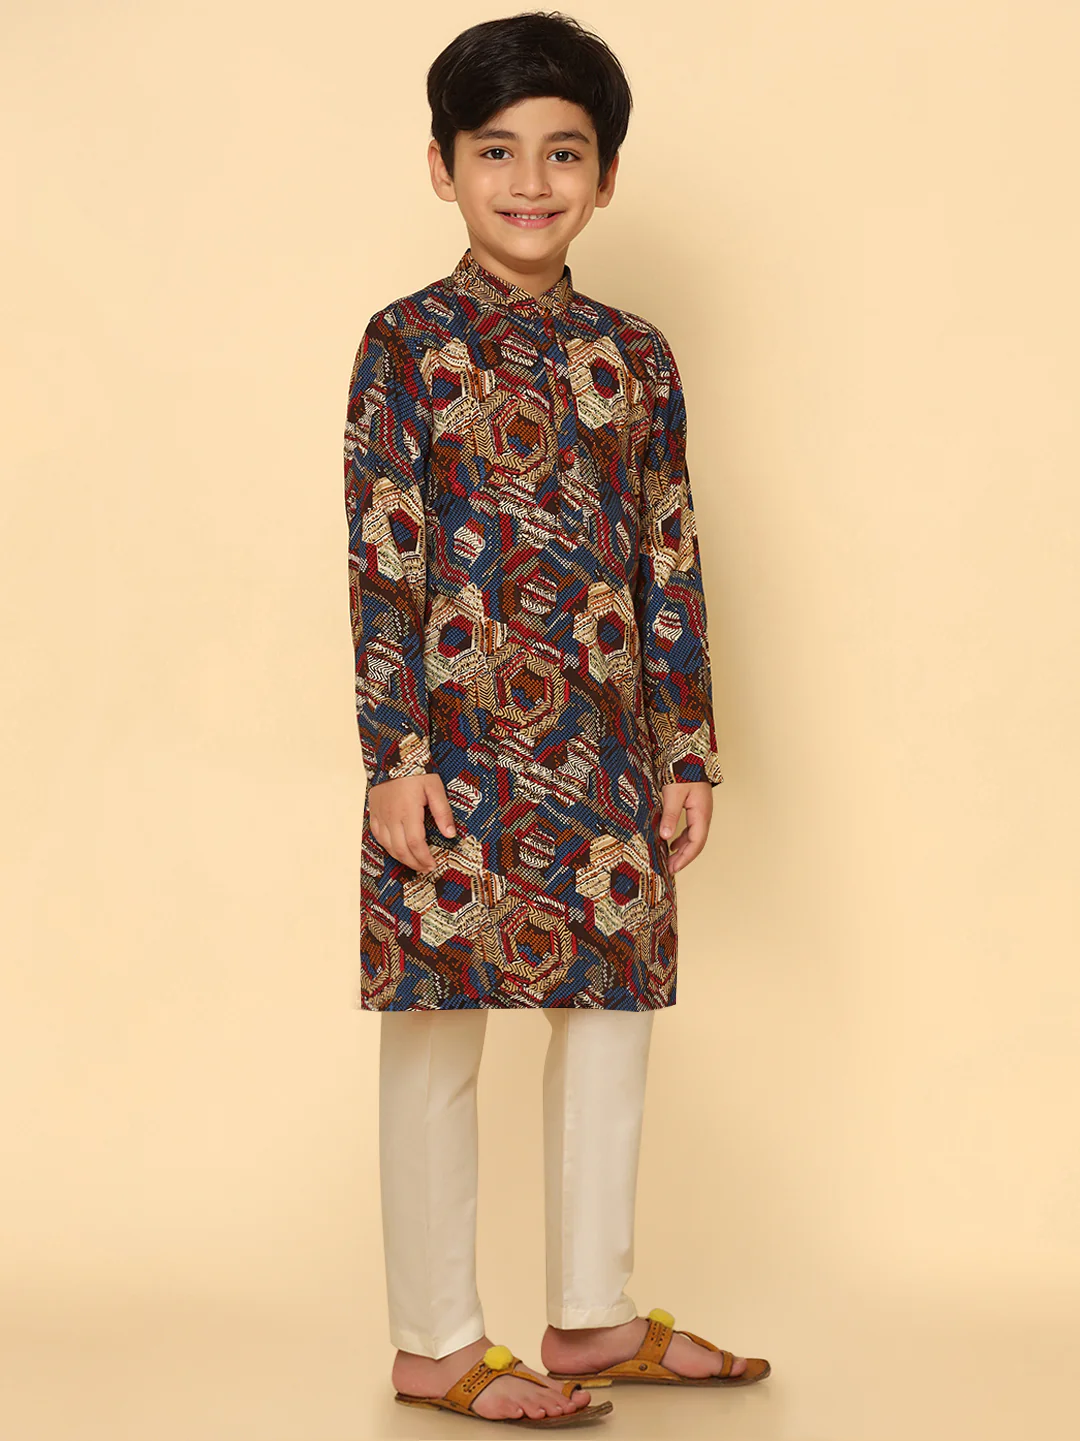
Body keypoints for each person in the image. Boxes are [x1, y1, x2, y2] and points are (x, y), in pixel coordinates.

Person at [342, 11, 770, 1428]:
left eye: (563, 153)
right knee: (436, 1024)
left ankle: (592, 1317)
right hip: (452, 748)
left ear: (607, 174)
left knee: (611, 1016)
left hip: (607, 742)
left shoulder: (635, 355)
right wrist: (392, 757)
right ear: (442, 166)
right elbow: (384, 551)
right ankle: (436, 1342)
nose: (530, 182)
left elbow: (669, 550)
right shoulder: (405, 344)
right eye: (496, 152)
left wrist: (687, 746)